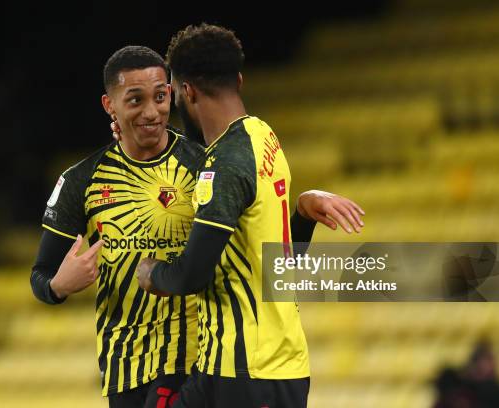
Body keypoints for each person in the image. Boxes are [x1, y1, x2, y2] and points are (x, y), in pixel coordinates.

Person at [31, 44, 362, 408]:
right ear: (110, 106)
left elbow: (266, 258)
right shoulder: (82, 181)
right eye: (135, 100)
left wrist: (300, 215)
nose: (152, 111)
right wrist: (59, 287)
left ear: (175, 94)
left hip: (195, 360)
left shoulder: (207, 165)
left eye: (160, 96)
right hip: (124, 368)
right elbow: (41, 276)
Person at [135, 24, 364, 408]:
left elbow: (192, 274)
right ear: (238, 80)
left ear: (186, 91)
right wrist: (302, 214)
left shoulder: (225, 164)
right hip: (233, 366)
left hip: (252, 372)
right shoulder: (262, 136)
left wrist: (150, 273)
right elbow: (278, 265)